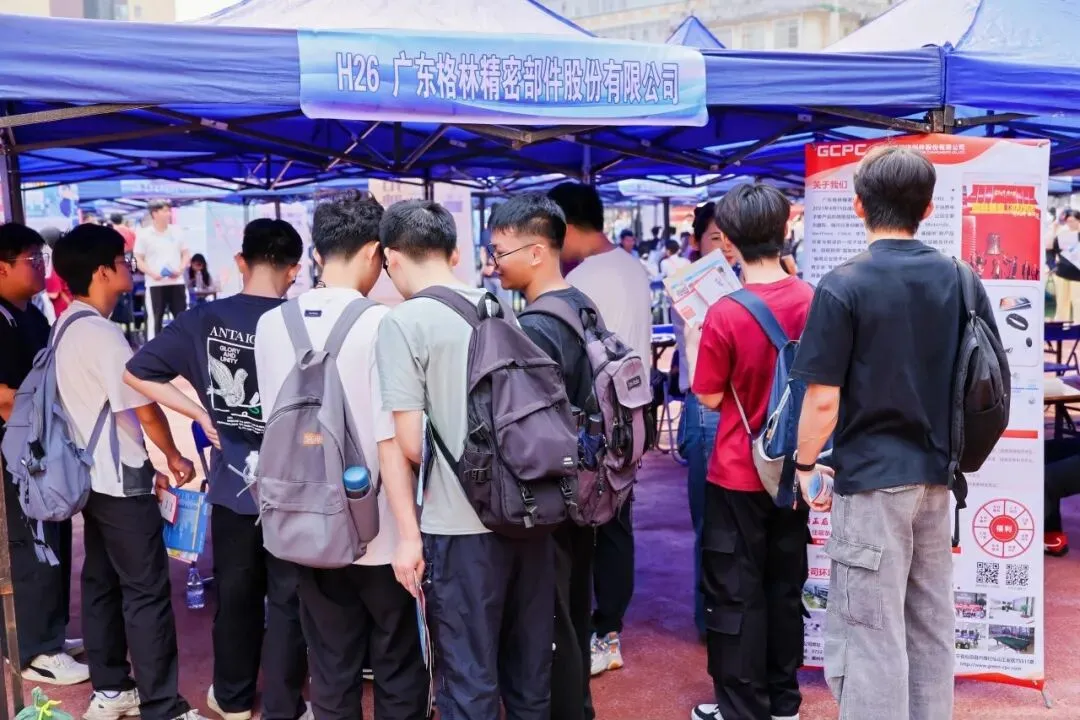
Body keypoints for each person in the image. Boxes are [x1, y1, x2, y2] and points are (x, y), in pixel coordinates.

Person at [790, 146, 997, 720]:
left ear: (858, 206)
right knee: (930, 628)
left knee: (870, 636)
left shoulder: (842, 285)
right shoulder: (961, 278)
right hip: (937, 480)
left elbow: (823, 399)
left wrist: (804, 467)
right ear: (928, 209)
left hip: (873, 482)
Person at [375, 199, 556, 720]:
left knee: (468, 680)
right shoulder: (496, 304)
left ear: (391, 257)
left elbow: (412, 443)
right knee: (528, 675)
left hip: (459, 524)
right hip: (525, 509)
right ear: (452, 252)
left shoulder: (403, 322)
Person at [124, 219, 310, 720]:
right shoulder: (301, 321)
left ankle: (232, 699)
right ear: (294, 269)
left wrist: (200, 412)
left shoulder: (204, 319)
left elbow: (137, 372)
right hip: (295, 489)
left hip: (232, 489)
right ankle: (284, 705)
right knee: (289, 600)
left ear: (241, 261)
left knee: (236, 596)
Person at [254, 193, 429, 720]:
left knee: (330, 668)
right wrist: (412, 534)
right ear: (375, 250)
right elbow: (391, 438)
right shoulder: (384, 324)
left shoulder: (271, 324)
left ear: (318, 250)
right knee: (398, 664)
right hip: (383, 530)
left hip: (307, 527)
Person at [51, 223, 203, 720]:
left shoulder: (66, 324)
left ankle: (113, 688)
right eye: (124, 262)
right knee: (146, 592)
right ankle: (164, 705)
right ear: (102, 272)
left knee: (100, 581)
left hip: (89, 478)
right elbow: (145, 407)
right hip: (119, 482)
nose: (130, 270)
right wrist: (173, 457)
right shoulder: (102, 334)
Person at [684, 185, 815, 720]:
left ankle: (742, 707)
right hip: (795, 467)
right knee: (784, 587)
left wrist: (694, 340)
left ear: (729, 241)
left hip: (739, 469)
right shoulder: (813, 299)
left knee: (735, 593)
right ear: (785, 232)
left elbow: (709, 397)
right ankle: (783, 702)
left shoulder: (724, 312)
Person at [487, 194, 596, 720]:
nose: (493, 264)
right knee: (573, 608)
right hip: (588, 483)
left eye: (499, 251)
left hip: (551, 489)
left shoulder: (535, 327)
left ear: (535, 251)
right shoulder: (580, 304)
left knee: (549, 622)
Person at [548, 182, 651, 677]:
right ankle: (609, 631)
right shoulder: (633, 267)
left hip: (595, 419)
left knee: (586, 526)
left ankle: (593, 633)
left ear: (567, 227)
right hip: (633, 412)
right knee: (616, 522)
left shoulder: (582, 279)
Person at [0, 223, 87, 686]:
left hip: (42, 449)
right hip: (14, 455)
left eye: (41, 257)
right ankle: (34, 650)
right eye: (32, 259)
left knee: (53, 535)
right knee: (28, 545)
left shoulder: (32, 314)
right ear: (2, 266)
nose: (41, 266)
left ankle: (51, 635)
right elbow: (4, 397)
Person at [673, 201, 726, 639]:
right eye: (715, 238)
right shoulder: (691, 285)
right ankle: (710, 618)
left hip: (743, 407)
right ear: (696, 241)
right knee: (709, 520)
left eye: (732, 238)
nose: (725, 247)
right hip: (706, 406)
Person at [134, 199, 190, 337]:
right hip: (155, 284)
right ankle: (154, 348)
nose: (168, 214)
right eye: (164, 211)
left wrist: (181, 269)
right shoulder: (144, 234)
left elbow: (186, 253)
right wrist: (152, 273)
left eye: (169, 210)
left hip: (177, 282)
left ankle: (184, 347)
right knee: (155, 319)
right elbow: (138, 259)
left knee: (182, 319)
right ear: (155, 213)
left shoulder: (177, 231)